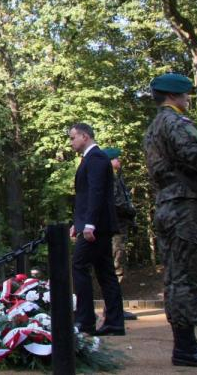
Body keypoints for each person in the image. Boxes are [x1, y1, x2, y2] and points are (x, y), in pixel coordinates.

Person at [143, 72, 197, 368]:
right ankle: (186, 347)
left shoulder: (154, 127)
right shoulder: (174, 122)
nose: (187, 99)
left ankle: (185, 344)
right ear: (174, 96)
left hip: (168, 204)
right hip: (184, 207)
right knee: (188, 276)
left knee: (175, 276)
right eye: (185, 95)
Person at [68, 123, 125, 336]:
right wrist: (78, 223)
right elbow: (84, 196)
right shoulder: (91, 159)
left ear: (84, 136)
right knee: (106, 272)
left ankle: (85, 320)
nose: (71, 142)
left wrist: (89, 224)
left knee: (79, 265)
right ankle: (115, 322)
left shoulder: (97, 158)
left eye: (73, 138)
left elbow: (97, 192)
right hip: (93, 224)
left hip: (98, 226)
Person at [103, 147, 138, 321]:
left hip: (119, 228)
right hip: (115, 229)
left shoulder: (114, 178)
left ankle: (115, 307)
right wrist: (130, 211)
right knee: (116, 266)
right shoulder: (109, 179)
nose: (119, 161)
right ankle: (114, 309)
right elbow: (116, 204)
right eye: (116, 159)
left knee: (118, 266)